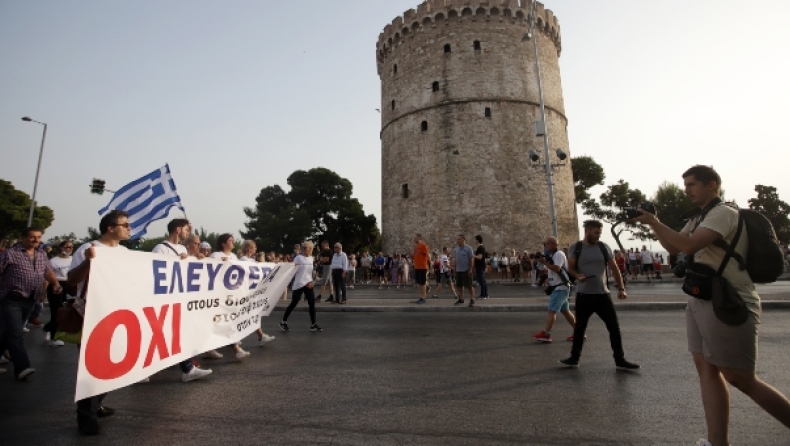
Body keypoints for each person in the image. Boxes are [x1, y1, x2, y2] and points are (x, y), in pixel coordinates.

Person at [634, 165, 790, 446]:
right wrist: (653, 222)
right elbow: (673, 247)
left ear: (712, 185)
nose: (687, 191)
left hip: (728, 299)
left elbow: (690, 246)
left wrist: (656, 223)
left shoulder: (723, 213)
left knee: (741, 378)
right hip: (701, 297)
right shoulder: (700, 217)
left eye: (692, 185)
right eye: (685, 186)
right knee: (706, 367)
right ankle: (717, 443)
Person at [67, 210, 130, 435]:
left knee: (116, 364)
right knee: (92, 366)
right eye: (125, 225)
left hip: (117, 314)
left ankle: (96, 404)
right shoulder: (88, 248)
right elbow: (72, 280)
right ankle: (86, 416)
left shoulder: (124, 252)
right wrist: (88, 263)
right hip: (91, 314)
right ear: (111, 228)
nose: (129, 228)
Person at [560, 220, 640, 371]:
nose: (598, 236)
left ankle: (620, 359)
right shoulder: (576, 247)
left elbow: (614, 268)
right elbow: (570, 267)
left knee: (614, 328)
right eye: (596, 233)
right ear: (588, 231)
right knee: (579, 328)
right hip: (584, 294)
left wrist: (621, 288)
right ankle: (574, 358)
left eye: (599, 233)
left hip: (603, 294)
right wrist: (577, 275)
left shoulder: (604, 247)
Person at [151, 219, 213, 382]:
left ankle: (187, 369)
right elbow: (155, 272)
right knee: (165, 335)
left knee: (173, 335)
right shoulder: (160, 249)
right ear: (178, 230)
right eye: (186, 229)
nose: (188, 232)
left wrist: (194, 258)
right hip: (165, 300)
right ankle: (187, 369)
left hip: (179, 299)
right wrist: (177, 261)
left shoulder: (182, 248)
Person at [0, 227, 62, 379]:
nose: (36, 240)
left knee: (9, 332)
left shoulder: (41, 254)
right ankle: (22, 368)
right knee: (15, 333)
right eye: (32, 237)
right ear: (23, 238)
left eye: (38, 237)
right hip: (11, 299)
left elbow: (48, 271)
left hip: (30, 300)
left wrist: (55, 283)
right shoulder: (10, 254)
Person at [210, 234, 251, 360]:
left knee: (226, 321)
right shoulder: (215, 256)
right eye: (230, 240)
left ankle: (210, 348)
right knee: (222, 321)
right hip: (218, 295)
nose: (233, 242)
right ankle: (236, 349)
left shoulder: (233, 257)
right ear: (223, 244)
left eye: (233, 240)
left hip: (230, 294)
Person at [533, 236, 578, 343]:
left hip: (560, 287)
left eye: (547, 244)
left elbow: (557, 268)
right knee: (565, 311)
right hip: (559, 286)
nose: (545, 246)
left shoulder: (558, 254)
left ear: (554, 244)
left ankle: (546, 334)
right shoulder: (554, 255)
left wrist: (545, 263)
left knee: (551, 310)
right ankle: (579, 332)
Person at [280, 241, 322, 332]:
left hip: (308, 283)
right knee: (294, 303)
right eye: (302, 248)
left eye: (305, 248)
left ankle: (313, 324)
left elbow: (312, 272)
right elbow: (291, 269)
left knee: (312, 303)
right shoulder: (298, 258)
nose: (303, 249)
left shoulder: (311, 258)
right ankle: (283, 321)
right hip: (299, 283)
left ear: (310, 249)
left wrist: (313, 282)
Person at [43, 240, 74, 347]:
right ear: (61, 248)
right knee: (56, 310)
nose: (69, 249)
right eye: (67, 246)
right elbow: (47, 277)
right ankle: (53, 337)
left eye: (71, 247)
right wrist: (43, 292)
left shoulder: (73, 259)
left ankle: (48, 327)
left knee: (71, 310)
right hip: (57, 284)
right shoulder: (53, 261)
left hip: (70, 284)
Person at [452, 235, 476, 307]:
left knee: (469, 285)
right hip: (459, 270)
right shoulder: (456, 249)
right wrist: (455, 269)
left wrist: (470, 269)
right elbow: (455, 260)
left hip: (466, 270)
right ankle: (461, 299)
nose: (457, 241)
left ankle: (472, 299)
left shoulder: (468, 248)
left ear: (463, 240)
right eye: (457, 239)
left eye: (459, 239)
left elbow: (471, 259)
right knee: (459, 285)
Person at [412, 234, 429, 304]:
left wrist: (428, 265)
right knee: (419, 283)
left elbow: (427, 255)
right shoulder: (416, 247)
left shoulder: (423, 245)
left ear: (419, 238)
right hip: (417, 267)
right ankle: (421, 297)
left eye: (415, 238)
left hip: (422, 266)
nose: (414, 239)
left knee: (423, 283)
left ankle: (423, 298)